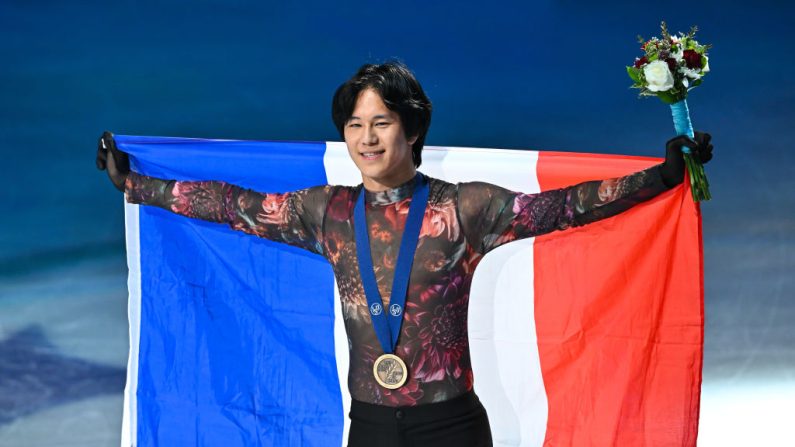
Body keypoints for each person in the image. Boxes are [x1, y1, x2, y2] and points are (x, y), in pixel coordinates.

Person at [96, 61, 713, 447]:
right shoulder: (327, 213)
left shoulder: (465, 209)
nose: (366, 138)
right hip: (368, 426)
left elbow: (561, 208)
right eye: (355, 125)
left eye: (382, 122)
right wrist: (135, 185)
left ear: (413, 128)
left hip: (450, 429)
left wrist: (659, 178)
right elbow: (234, 205)